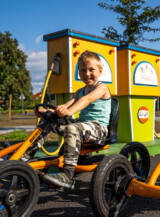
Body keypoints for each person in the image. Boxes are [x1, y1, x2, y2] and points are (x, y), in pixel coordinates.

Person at [33, 50, 111, 189]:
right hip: (81, 127)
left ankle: (67, 176)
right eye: (83, 70)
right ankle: (26, 155)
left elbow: (87, 99)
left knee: (72, 128)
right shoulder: (79, 91)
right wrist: (47, 112)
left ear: (100, 71)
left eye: (91, 70)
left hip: (99, 128)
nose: (87, 74)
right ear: (79, 73)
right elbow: (64, 106)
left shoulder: (102, 88)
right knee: (50, 121)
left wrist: (69, 112)